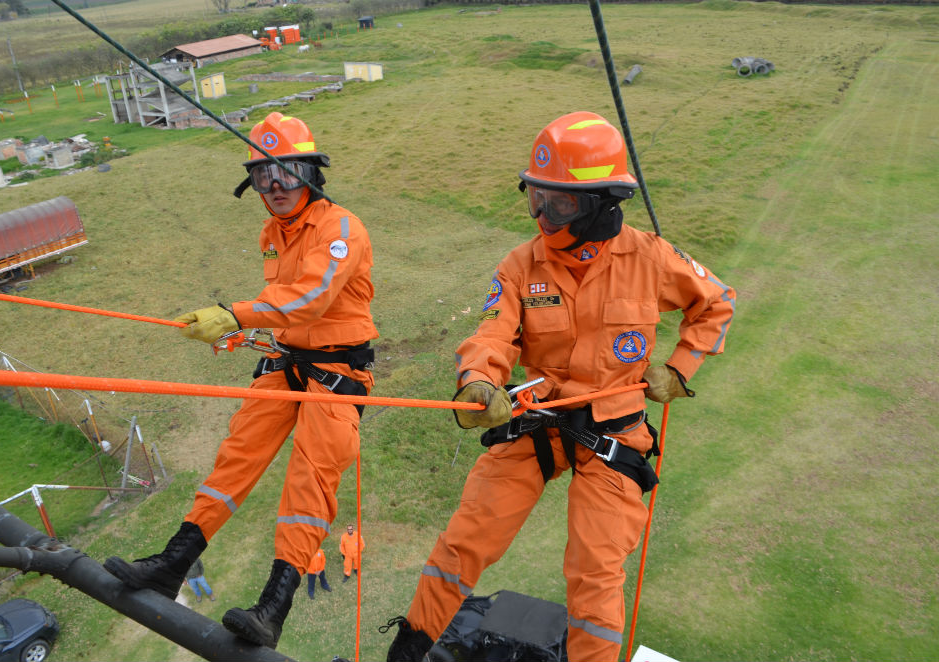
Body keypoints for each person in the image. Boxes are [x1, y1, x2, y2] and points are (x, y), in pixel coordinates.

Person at [383, 111, 735, 662]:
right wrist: (479, 381)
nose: (543, 216)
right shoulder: (522, 265)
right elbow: (494, 333)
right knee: (463, 542)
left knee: (596, 575)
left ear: (602, 202)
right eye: (536, 198)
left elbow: (716, 302)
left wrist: (680, 368)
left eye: (561, 202)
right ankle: (406, 651)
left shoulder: (651, 258)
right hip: (538, 421)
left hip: (613, 430)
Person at [104, 111, 378, 651]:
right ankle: (173, 562)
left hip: (338, 374)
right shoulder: (271, 234)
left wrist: (237, 314)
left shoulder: (339, 228)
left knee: (309, 483)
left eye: (287, 172)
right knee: (236, 458)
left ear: (312, 174)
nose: (274, 186)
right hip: (287, 363)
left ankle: (273, 609)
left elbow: (312, 296)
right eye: (261, 175)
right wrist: (244, 327)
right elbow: (287, 309)